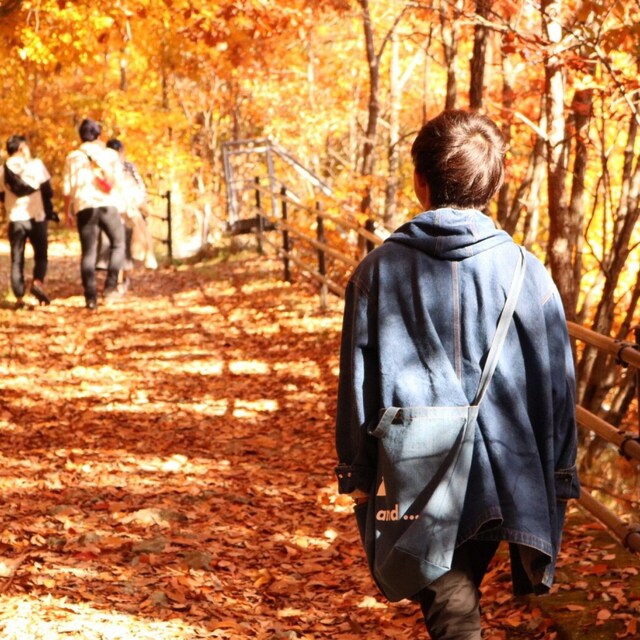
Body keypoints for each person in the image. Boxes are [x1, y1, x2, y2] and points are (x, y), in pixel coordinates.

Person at [334, 109, 580, 639]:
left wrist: (358, 475)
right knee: (456, 596)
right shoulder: (528, 273)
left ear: (419, 180)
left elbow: (358, 386)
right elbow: (559, 387)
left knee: (452, 604)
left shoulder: (378, 272)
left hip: (418, 467)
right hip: (510, 471)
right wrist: (560, 478)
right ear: (495, 182)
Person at [62, 118, 125, 310]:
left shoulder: (73, 157)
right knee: (118, 243)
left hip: (84, 206)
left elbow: (67, 189)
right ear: (98, 134)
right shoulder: (110, 154)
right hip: (108, 205)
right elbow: (119, 182)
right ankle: (110, 287)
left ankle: (90, 298)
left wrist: (67, 211)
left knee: (88, 252)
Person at [0, 135, 58, 309]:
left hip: (15, 219)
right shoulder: (35, 165)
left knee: (17, 258)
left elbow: (1, 196)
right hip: (36, 216)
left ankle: (19, 298)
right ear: (21, 148)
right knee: (41, 255)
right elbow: (48, 191)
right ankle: (37, 283)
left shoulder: (2, 170)